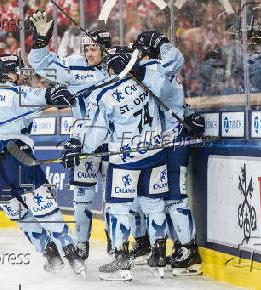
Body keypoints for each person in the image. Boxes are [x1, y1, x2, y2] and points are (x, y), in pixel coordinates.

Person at [61, 46, 170, 281]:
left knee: (118, 208)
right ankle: (159, 257)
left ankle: (122, 263)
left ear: (111, 67)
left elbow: (95, 133)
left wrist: (79, 149)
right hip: (155, 153)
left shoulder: (105, 94)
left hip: (125, 159)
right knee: (154, 204)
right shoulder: (147, 81)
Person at [0, 53, 86, 276]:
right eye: (18, 71)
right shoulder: (17, 94)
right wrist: (64, 90)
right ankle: (72, 255)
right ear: (10, 74)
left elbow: (35, 105)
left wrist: (51, 98)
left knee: (21, 216)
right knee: (45, 209)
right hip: (18, 160)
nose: (22, 76)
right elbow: (49, 95)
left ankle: (50, 255)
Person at [28, 10, 112, 260]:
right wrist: (41, 41)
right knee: (82, 197)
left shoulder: (121, 66)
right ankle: (81, 245)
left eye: (93, 48)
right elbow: (42, 65)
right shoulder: (75, 66)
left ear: (106, 48)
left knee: (119, 199)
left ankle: (121, 246)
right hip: (83, 143)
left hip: (116, 143)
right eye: (86, 48)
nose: (88, 53)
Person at [131, 31, 205, 276]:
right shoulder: (155, 70)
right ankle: (180, 246)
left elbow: (174, 59)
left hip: (174, 142)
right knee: (163, 199)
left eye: (139, 51)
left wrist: (161, 43)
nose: (136, 56)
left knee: (175, 196)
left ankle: (188, 248)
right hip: (162, 144)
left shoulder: (155, 69)